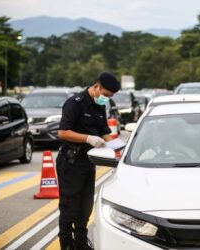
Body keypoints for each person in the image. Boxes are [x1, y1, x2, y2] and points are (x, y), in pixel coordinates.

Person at [56, 72, 121, 250]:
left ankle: (80, 242)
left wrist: (118, 148)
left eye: (110, 97)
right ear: (96, 87)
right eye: (106, 95)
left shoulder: (99, 106)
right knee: (70, 206)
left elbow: (104, 131)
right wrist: (88, 139)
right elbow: (62, 132)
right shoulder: (74, 103)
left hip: (88, 162)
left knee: (85, 207)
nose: (106, 99)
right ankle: (67, 244)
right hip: (70, 161)